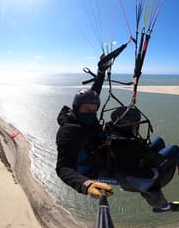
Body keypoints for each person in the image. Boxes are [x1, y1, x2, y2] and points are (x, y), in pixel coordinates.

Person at [55, 37, 133, 201]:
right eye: (86, 109)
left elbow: (94, 92)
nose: (91, 112)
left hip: (100, 152)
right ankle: (160, 202)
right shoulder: (68, 131)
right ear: (77, 109)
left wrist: (101, 71)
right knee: (132, 179)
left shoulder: (85, 118)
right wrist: (86, 184)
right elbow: (63, 168)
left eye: (93, 109)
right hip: (89, 171)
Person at [105, 105, 179, 213]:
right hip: (143, 169)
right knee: (174, 149)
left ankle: (170, 161)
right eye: (136, 125)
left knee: (158, 140)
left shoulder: (115, 133)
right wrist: (153, 173)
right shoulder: (127, 147)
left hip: (139, 158)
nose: (137, 127)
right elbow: (128, 169)